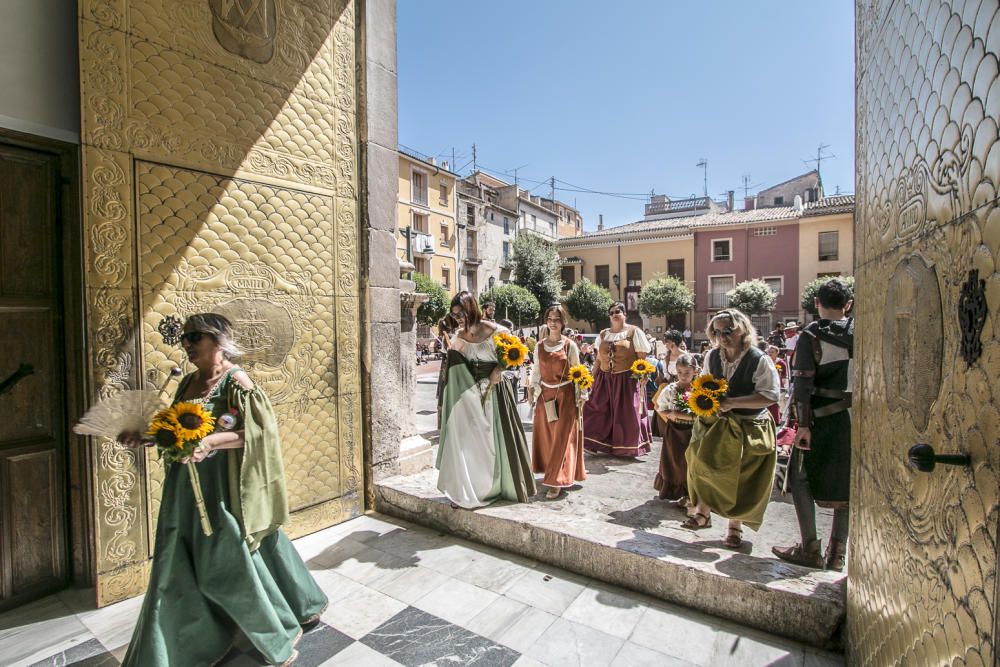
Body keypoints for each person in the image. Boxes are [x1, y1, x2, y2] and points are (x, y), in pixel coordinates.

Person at [119, 313, 326, 667]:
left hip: (222, 489)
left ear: (217, 340)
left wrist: (212, 442)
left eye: (194, 338)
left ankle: (273, 634)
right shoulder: (186, 383)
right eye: (183, 339)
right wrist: (148, 437)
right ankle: (189, 638)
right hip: (183, 490)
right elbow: (175, 432)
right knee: (182, 560)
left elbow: (259, 435)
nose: (186, 345)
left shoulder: (237, 382)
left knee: (229, 560)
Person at [773, 280, 854, 571]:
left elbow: (804, 382)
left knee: (798, 475)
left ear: (817, 302)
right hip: (854, 418)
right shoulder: (861, 331)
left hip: (821, 417)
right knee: (848, 483)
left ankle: (810, 547)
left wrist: (803, 425)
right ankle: (837, 554)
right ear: (848, 304)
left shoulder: (812, 334)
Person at [683, 308, 780, 549]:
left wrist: (733, 403)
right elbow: (704, 384)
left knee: (742, 477)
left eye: (728, 330)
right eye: (717, 332)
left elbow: (770, 396)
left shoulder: (758, 359)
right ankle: (703, 511)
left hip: (749, 426)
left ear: (742, 329)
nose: (723, 337)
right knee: (701, 461)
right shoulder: (712, 357)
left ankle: (734, 528)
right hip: (717, 424)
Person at [436, 292, 536, 507]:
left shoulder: (496, 331)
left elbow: (517, 355)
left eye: (461, 313)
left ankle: (501, 486)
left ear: (472, 307)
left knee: (496, 441)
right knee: (472, 444)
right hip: (471, 396)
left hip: (497, 391)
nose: (459, 318)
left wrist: (500, 368)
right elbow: (457, 366)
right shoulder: (459, 337)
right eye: (455, 315)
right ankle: (473, 488)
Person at [528, 305, 587, 499]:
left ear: (563, 322)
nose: (553, 323)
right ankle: (550, 472)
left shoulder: (570, 345)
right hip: (546, 396)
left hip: (566, 396)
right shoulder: (539, 346)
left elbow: (578, 371)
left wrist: (582, 396)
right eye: (550, 319)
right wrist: (532, 390)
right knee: (548, 438)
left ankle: (557, 481)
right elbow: (536, 371)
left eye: (557, 319)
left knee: (562, 438)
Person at [581, 302, 653, 457]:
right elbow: (599, 360)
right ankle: (593, 443)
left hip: (626, 380)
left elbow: (642, 357)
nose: (614, 314)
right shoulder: (603, 334)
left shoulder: (634, 332)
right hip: (605, 378)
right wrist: (590, 379)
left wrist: (643, 376)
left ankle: (626, 447)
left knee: (625, 414)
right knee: (596, 409)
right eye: (612, 312)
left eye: (618, 311)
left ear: (624, 314)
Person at [654, 353, 700, 516]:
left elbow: (704, 412)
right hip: (675, 431)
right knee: (675, 461)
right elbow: (660, 407)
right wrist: (671, 415)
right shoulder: (671, 389)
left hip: (694, 431)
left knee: (691, 463)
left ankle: (691, 496)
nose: (683, 376)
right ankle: (679, 492)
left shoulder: (700, 390)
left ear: (695, 371)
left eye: (687, 372)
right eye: (680, 372)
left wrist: (684, 415)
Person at [435, 314, 460, 424]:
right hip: (450, 367)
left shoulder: (448, 335)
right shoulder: (449, 335)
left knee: (443, 395)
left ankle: (442, 424)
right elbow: (450, 351)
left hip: (446, 367)